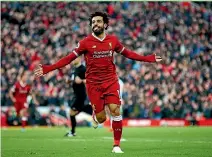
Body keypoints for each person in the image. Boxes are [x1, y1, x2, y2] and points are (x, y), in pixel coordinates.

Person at [34, 11, 162, 153]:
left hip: (111, 80)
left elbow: (129, 54)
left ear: (105, 24)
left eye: (98, 21)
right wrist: (49, 68)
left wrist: (148, 58)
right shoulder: (85, 43)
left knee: (115, 110)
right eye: (93, 22)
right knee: (101, 118)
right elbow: (68, 58)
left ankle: (116, 145)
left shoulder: (113, 40)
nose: (95, 24)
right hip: (93, 84)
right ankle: (96, 114)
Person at [64, 57, 93, 137]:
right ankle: (92, 110)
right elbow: (74, 80)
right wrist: (69, 81)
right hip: (77, 95)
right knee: (74, 112)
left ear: (79, 59)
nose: (73, 60)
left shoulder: (83, 69)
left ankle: (73, 132)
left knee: (72, 112)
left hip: (81, 95)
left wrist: (81, 80)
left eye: (74, 59)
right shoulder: (75, 69)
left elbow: (90, 79)